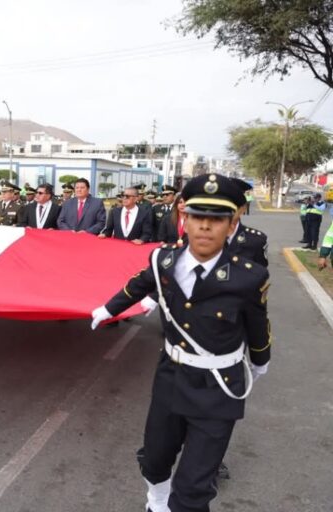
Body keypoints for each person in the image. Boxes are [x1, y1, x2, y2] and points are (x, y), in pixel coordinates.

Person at [91, 173, 271, 512]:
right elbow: (140, 284)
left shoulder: (249, 276)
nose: (205, 226)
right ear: (184, 219)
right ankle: (157, 502)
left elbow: (258, 322)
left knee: (193, 488)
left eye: (217, 219)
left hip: (219, 387)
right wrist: (109, 308)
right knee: (154, 460)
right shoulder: (164, 260)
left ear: (231, 225)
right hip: (171, 377)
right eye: (197, 216)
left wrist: (261, 359)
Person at [227, 179, 269, 267]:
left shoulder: (256, 241)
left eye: (232, 206)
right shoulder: (200, 237)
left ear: (243, 208)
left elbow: (260, 272)